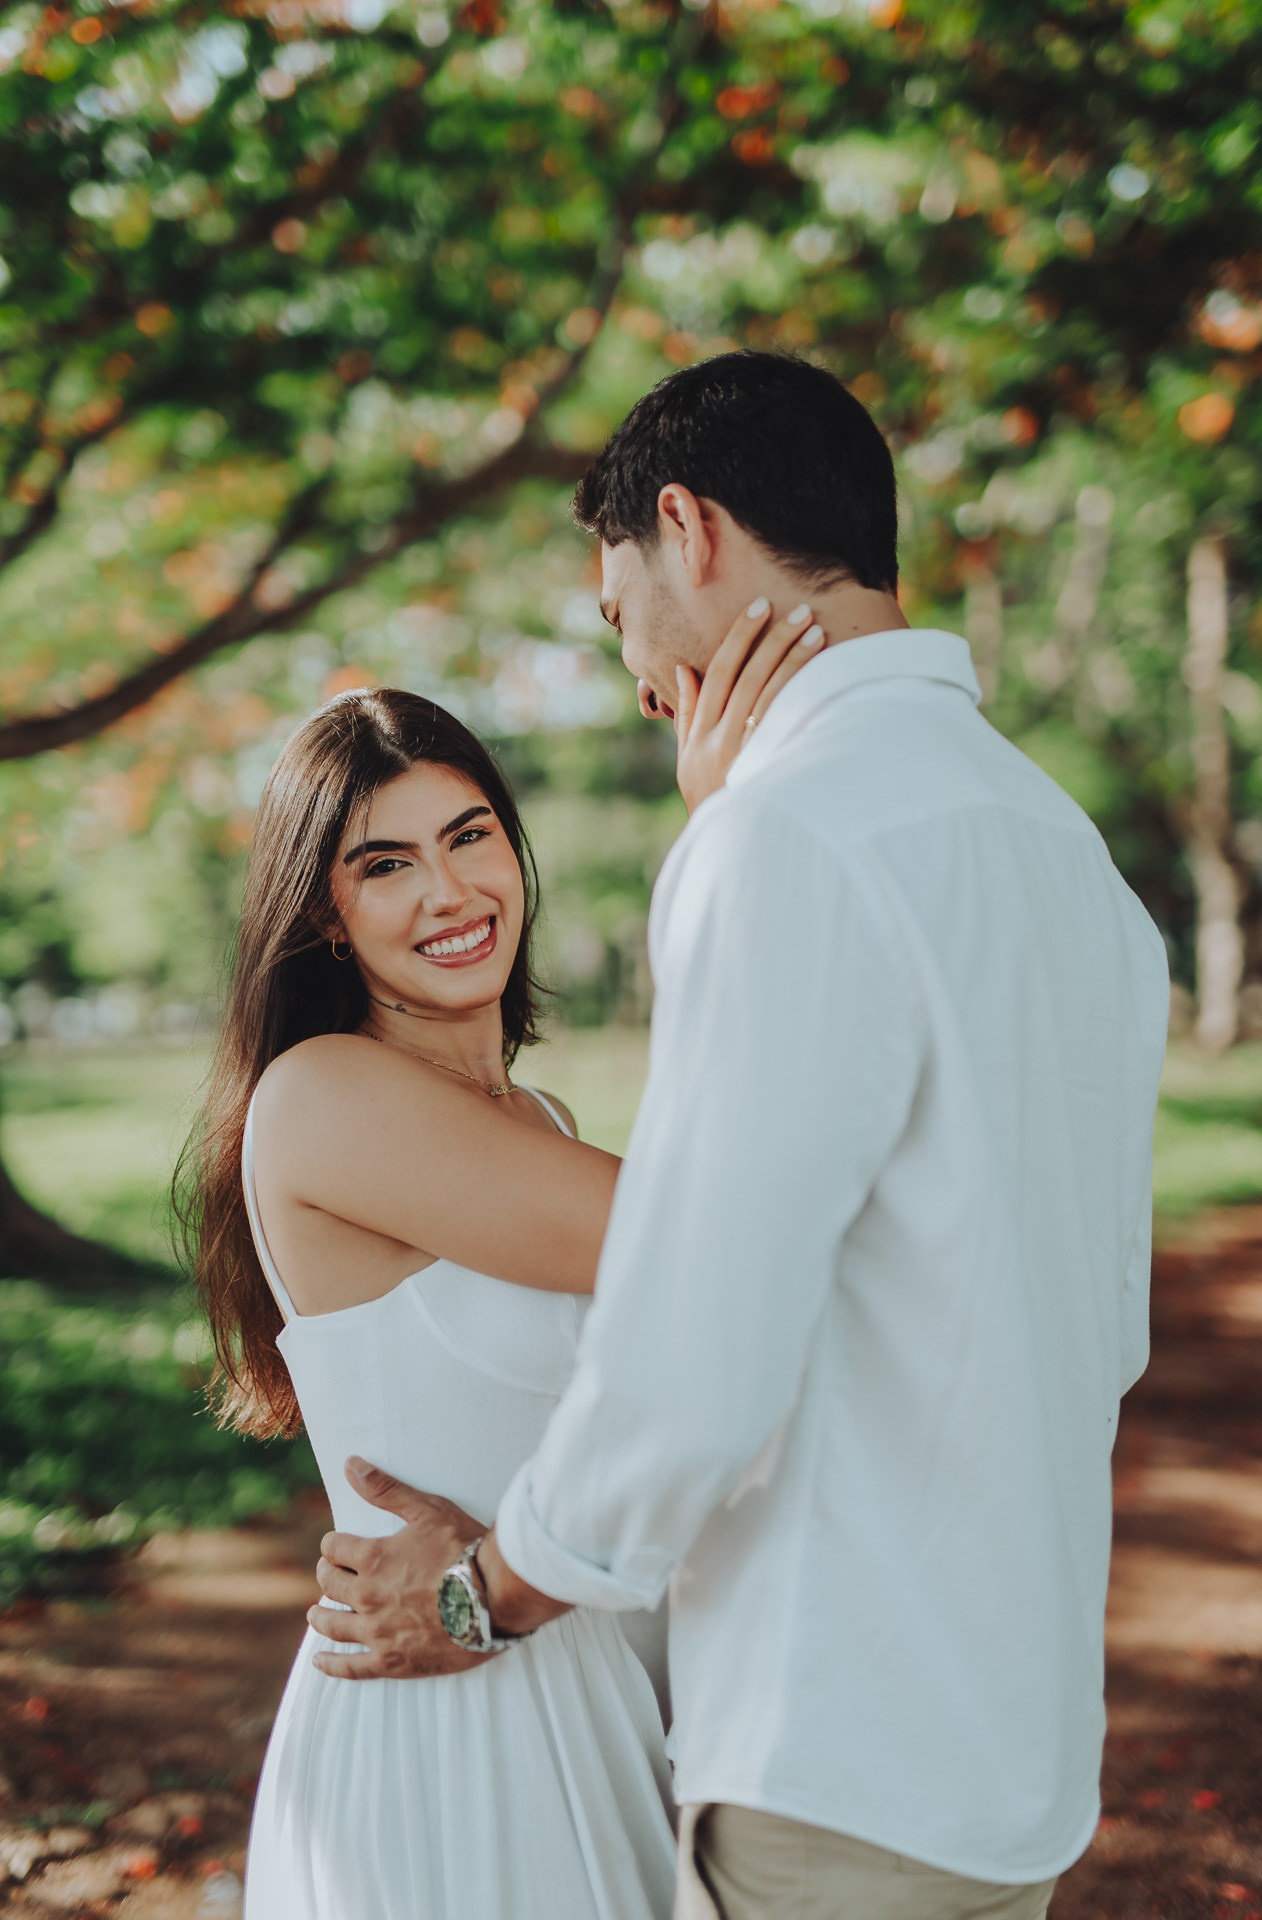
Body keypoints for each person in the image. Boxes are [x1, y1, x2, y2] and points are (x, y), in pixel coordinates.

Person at [311, 350, 1172, 1920]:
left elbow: (692, 1338)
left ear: (688, 530)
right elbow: (1103, 1330)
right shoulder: (1067, 851)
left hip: (836, 1745)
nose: (641, 678)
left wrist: (487, 1592)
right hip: (1018, 1750)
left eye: (616, 613)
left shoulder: (782, 836)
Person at [178, 619, 819, 1919]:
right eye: (385, 865)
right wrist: (732, 850)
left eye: (469, 836)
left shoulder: (537, 1122)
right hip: (456, 1722)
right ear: (326, 914)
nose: (450, 892)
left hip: (586, 1666)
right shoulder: (325, 1095)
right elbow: (713, 1237)